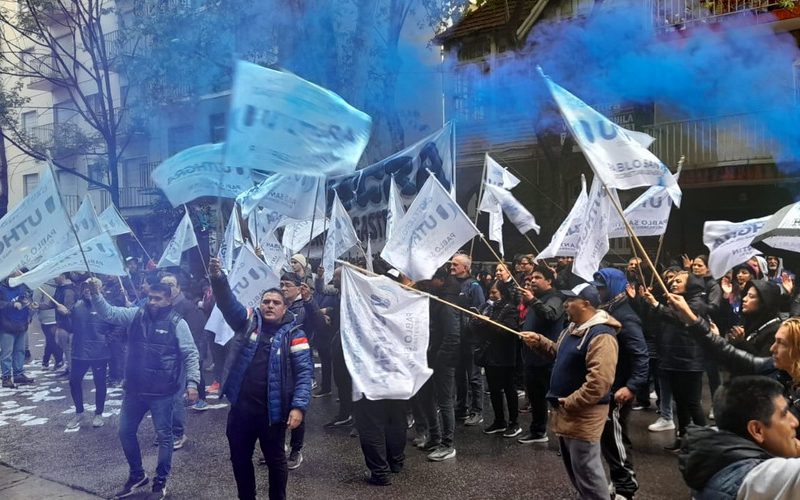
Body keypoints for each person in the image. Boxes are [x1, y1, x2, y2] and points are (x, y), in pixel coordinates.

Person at [209, 257, 312, 500]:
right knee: (239, 458)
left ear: (284, 308)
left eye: (276, 302)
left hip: (272, 414)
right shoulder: (247, 323)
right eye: (266, 301)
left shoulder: (295, 335)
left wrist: (298, 407)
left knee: (276, 462)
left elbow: (304, 374)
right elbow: (227, 303)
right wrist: (218, 278)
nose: (270, 306)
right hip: (241, 411)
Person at [90, 279, 200, 500]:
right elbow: (110, 313)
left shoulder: (178, 323)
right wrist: (96, 294)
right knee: (125, 431)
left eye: (158, 299)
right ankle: (137, 474)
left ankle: (160, 481)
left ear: (169, 300)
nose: (152, 302)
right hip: (135, 390)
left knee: (165, 437)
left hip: (163, 392)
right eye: (150, 297)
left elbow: (191, 354)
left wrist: (192, 383)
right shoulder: (136, 315)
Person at [521, 283, 619, 500]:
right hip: (568, 411)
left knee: (588, 472)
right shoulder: (572, 328)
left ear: (586, 304)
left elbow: (599, 382)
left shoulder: (601, 335)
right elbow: (560, 353)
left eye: (571, 300)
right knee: (577, 470)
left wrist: (572, 401)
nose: (565, 304)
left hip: (583, 413)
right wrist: (539, 341)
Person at [679, 376, 800, 499]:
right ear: (757, 430)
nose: (795, 422)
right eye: (784, 414)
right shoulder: (757, 480)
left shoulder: (716, 460)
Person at [593, 268, 649, 500]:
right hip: (610, 385)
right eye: (597, 288)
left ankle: (625, 487)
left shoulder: (625, 316)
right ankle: (618, 480)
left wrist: (632, 386)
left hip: (619, 387)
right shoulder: (608, 310)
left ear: (614, 287)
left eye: (602, 287)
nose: (599, 292)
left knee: (615, 439)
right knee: (609, 438)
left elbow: (641, 354)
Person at [642, 271, 708, 451]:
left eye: (679, 281)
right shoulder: (673, 302)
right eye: (672, 280)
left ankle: (705, 444)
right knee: (680, 402)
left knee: (692, 403)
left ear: (690, 284)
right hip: (673, 358)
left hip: (690, 360)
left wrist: (656, 305)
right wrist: (650, 303)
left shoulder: (697, 302)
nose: (673, 283)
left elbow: (681, 317)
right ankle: (683, 438)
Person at [160, 273, 209, 454]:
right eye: (164, 284)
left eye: (171, 284)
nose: (168, 287)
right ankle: (166, 431)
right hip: (166, 360)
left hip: (181, 358)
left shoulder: (187, 306)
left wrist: (196, 358)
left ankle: (178, 433)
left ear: (178, 287)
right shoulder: (160, 307)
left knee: (176, 399)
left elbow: (195, 335)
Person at [415, 266, 460, 461]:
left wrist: (440, 360)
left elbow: (453, 335)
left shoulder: (447, 302)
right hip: (430, 356)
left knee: (444, 401)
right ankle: (435, 437)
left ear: (440, 280)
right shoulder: (437, 296)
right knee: (426, 397)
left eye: (430, 280)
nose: (427, 283)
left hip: (442, 361)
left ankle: (447, 445)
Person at [278, 271, 323, 470]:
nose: (283, 288)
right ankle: (278, 447)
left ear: (298, 287)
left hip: (299, 363)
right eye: (281, 284)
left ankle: (296, 450)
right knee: (276, 406)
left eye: (288, 285)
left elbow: (320, 325)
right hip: (279, 364)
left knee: (297, 406)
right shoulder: (278, 305)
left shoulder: (304, 306)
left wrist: (310, 301)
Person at [517, 265, 564, 444]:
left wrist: (532, 301)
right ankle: (538, 431)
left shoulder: (555, 298)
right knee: (536, 397)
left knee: (555, 399)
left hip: (548, 357)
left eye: (537, 277)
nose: (533, 281)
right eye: (531, 278)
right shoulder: (534, 298)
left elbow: (550, 315)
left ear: (549, 280)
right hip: (532, 356)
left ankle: (565, 437)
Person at [472, 281, 521, 438]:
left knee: (509, 389)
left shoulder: (510, 308)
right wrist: (477, 322)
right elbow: (477, 330)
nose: (491, 296)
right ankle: (499, 420)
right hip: (489, 354)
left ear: (503, 293)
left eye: (494, 293)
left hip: (505, 355)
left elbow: (509, 331)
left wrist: (488, 322)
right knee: (494, 390)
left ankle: (514, 422)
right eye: (490, 292)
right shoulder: (486, 307)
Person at [64, 280, 112, 429]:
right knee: (74, 381)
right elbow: (70, 328)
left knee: (100, 382)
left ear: (99, 288)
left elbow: (115, 326)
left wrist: (108, 339)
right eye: (85, 287)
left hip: (99, 352)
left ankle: (98, 414)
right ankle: (79, 412)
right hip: (80, 351)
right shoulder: (76, 306)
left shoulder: (105, 306)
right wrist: (65, 315)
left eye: (91, 287)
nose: (87, 290)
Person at [450, 253, 485, 426]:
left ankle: (477, 410)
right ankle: (461, 407)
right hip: (456, 337)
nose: (451, 267)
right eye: (451, 264)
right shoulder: (450, 284)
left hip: (470, 338)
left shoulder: (474, 285)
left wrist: (470, 327)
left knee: (474, 376)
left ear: (465, 267)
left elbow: (480, 311)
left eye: (455, 264)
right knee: (459, 376)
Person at [727, 280, 783, 358]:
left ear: (763, 302)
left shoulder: (776, 331)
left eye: (751, 296)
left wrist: (741, 343)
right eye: (746, 294)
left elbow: (764, 363)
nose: (744, 299)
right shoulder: (749, 321)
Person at [0, 272, 34, 388]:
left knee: (20, 351)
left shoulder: (22, 286)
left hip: (21, 324)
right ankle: (6, 378)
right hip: (6, 325)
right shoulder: (1, 288)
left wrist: (30, 305)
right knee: (7, 353)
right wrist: (12, 304)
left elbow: (26, 298)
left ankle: (18, 374)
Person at [33, 281, 63, 371]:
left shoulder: (40, 286)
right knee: (53, 341)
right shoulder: (61, 285)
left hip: (46, 318)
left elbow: (35, 302)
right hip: (59, 316)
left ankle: (57, 361)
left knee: (51, 341)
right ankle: (49, 361)